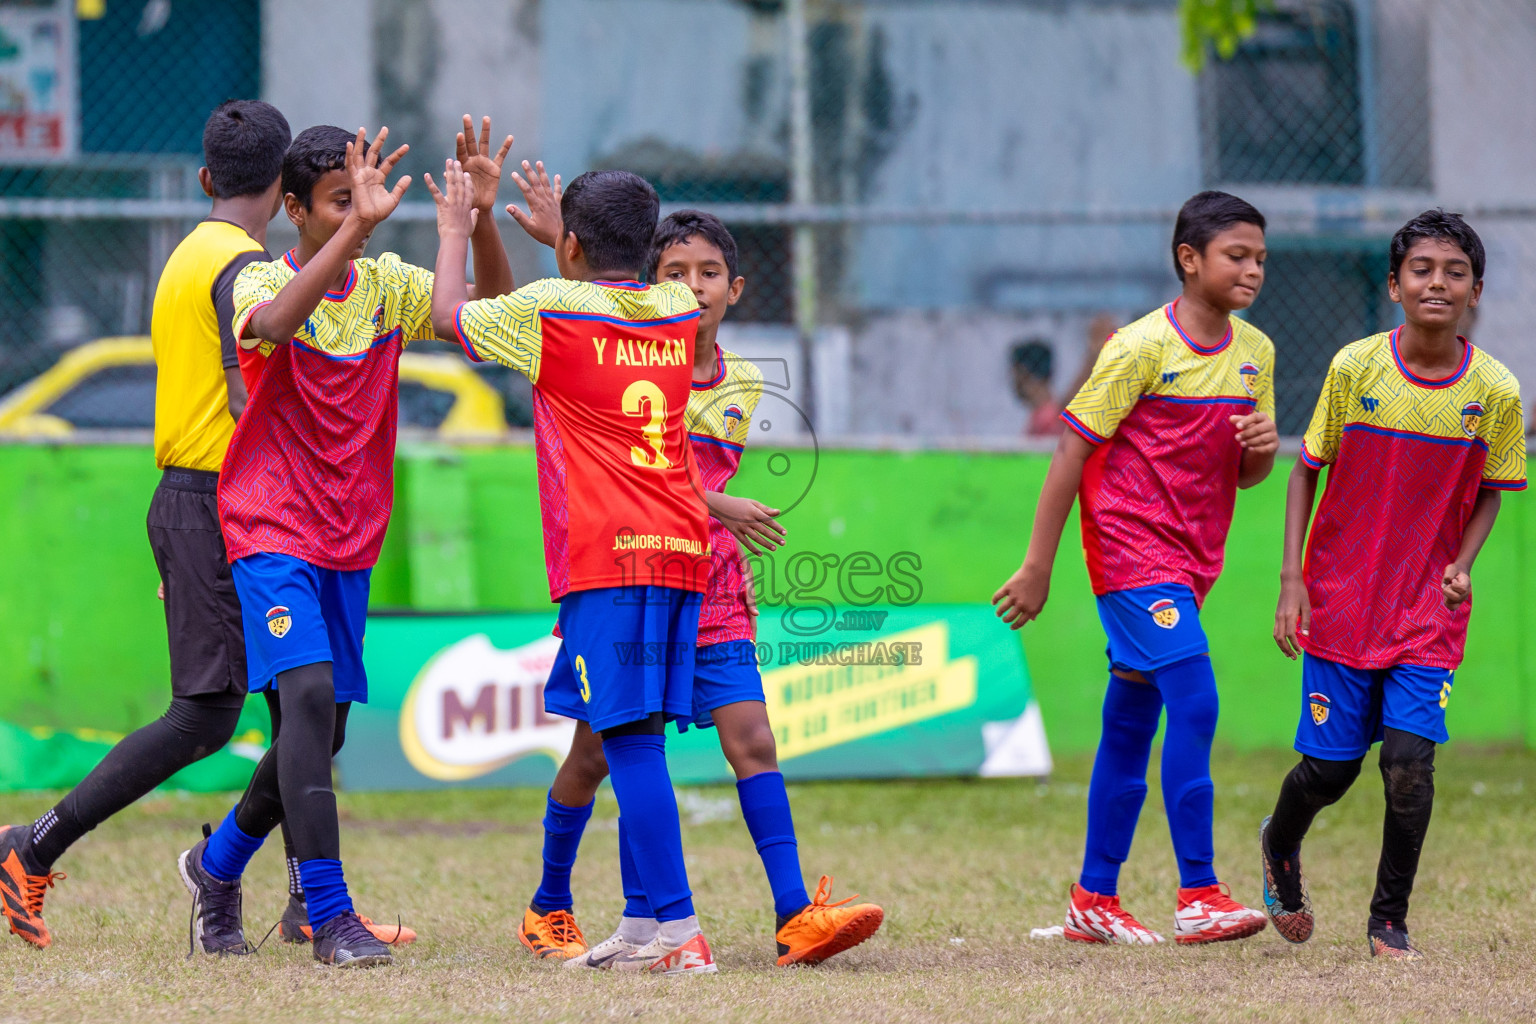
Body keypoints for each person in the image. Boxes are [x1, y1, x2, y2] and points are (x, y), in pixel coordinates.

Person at [177, 120, 513, 968]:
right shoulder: (260, 275)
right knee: (311, 697)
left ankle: (215, 869)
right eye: (337, 202)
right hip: (269, 527)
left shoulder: (388, 287)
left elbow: (484, 319)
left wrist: (475, 220)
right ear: (292, 209)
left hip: (348, 535)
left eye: (362, 199)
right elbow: (277, 326)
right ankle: (330, 918)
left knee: (318, 733)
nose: (357, 212)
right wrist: (358, 230)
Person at [509, 210, 883, 970]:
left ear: (735, 288)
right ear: (650, 287)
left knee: (754, 740)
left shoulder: (742, 380)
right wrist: (723, 505)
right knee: (601, 757)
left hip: (712, 588)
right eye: (674, 274)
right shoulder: (639, 360)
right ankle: (552, 904)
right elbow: (632, 451)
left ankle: (794, 917)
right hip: (632, 576)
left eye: (708, 273)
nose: (694, 287)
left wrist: (715, 516)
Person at [0, 100, 292, 950]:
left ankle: (299, 898)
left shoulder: (187, 254)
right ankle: (33, 845)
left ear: (206, 179)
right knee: (209, 715)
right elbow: (248, 395)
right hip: (218, 499)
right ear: (280, 189)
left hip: (192, 497)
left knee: (306, 713)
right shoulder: (244, 267)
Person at [430, 163, 716, 974]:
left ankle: (680, 932)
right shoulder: (676, 307)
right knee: (641, 732)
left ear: (575, 244)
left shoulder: (551, 310)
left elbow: (453, 315)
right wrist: (568, 240)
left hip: (607, 551)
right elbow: (606, 293)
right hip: (679, 547)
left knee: (626, 741)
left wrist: (458, 228)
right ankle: (638, 925)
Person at [993, 190, 1278, 945]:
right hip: (1129, 550)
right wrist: (1037, 565)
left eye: (1259, 258)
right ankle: (1200, 892)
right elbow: (1072, 449)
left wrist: (1260, 449)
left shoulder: (1257, 354)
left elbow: (1247, 478)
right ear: (1190, 260)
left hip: (1192, 562)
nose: (1251, 270)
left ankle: (1094, 897)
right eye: (1235, 256)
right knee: (1196, 698)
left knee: (1130, 723)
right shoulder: (1139, 348)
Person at [1261, 210, 1525, 960]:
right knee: (1332, 769)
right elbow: (1305, 472)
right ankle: (1280, 845)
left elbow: (1492, 491)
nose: (1437, 283)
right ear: (1393, 284)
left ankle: (1388, 921)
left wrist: (1464, 561)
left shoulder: (1495, 391)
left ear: (1476, 290)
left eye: (1455, 272)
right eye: (1421, 269)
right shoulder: (1356, 368)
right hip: (1343, 600)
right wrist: (1293, 579)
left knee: (1408, 762)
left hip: (1425, 610)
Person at [1011, 316, 1114, 438]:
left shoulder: (1048, 417)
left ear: (1024, 374)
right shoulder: (1040, 415)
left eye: (1016, 374)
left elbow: (1068, 407)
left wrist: (1094, 355)